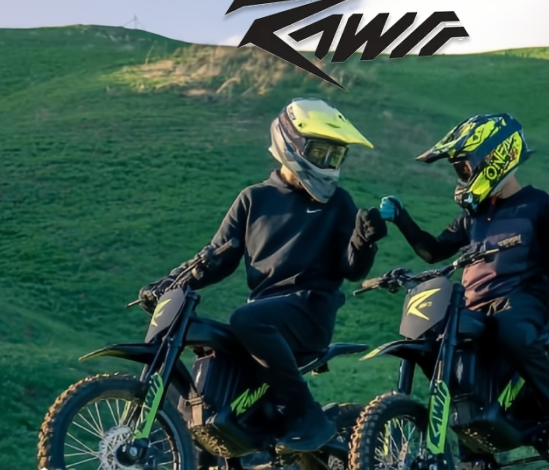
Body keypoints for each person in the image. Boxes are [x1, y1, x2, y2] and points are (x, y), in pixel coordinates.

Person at [139, 97, 387, 453]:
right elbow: (217, 257)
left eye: (336, 156)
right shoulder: (253, 199)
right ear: (291, 143)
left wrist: (365, 241)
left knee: (245, 318)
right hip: (266, 315)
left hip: (310, 311)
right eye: (321, 152)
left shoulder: (338, 203)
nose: (328, 164)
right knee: (215, 355)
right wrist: (169, 285)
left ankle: (304, 413)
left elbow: (352, 270)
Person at [378, 113, 549, 450]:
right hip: (474, 306)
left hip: (520, 300)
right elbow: (433, 252)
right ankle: (472, 432)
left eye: (464, 167)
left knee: (513, 333)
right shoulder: (472, 217)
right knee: (437, 341)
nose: (461, 176)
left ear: (495, 157)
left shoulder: (537, 204)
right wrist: (402, 219)